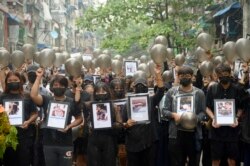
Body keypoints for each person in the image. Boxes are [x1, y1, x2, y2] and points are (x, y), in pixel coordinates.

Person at [30, 68, 83, 166]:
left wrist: (69, 126)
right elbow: (33, 95)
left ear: (65, 87)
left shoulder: (71, 101)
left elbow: (79, 118)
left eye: (62, 85)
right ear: (52, 87)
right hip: (48, 142)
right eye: (56, 85)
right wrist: (38, 77)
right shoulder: (46, 99)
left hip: (66, 143)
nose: (59, 87)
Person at [162, 66, 206, 166]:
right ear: (178, 76)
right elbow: (164, 111)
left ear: (192, 76)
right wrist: (173, 114)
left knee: (194, 161)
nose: (184, 78)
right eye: (182, 76)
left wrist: (194, 119)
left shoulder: (199, 93)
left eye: (187, 75)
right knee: (177, 162)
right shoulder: (171, 92)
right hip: (176, 133)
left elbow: (203, 112)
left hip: (194, 134)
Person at [122, 65, 165, 166]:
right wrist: (126, 124)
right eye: (138, 85)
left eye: (143, 85)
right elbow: (122, 123)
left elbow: (161, 91)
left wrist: (158, 75)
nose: (140, 87)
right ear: (134, 87)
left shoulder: (151, 100)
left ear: (147, 87)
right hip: (133, 143)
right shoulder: (127, 103)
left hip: (149, 140)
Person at [206, 63, 244, 166]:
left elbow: (241, 107)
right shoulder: (212, 89)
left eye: (226, 73)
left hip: (232, 130)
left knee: (232, 160)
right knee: (215, 160)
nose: (223, 76)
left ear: (230, 73)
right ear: (217, 75)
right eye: (220, 74)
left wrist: (236, 117)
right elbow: (207, 107)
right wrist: (213, 118)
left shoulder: (237, 89)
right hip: (216, 131)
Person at [0, 71, 38, 166]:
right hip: (8, 136)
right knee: (9, 161)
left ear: (20, 81)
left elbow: (35, 113)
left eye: (15, 80)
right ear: (6, 82)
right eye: (10, 80)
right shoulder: (2, 97)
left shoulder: (27, 96)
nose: (13, 82)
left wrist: (28, 122)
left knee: (23, 161)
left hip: (24, 136)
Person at [87, 81, 119, 166]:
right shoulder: (89, 106)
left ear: (107, 92)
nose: (100, 94)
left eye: (103, 91)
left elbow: (120, 124)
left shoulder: (113, 106)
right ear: (95, 93)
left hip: (109, 139)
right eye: (98, 92)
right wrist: (89, 125)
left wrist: (110, 124)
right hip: (94, 139)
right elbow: (86, 122)